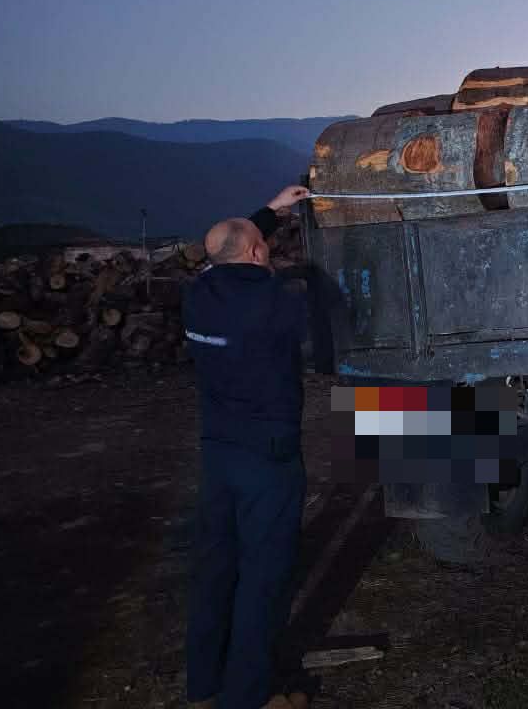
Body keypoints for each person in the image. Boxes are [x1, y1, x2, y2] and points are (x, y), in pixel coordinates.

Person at [184, 184, 312, 709]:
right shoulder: (279, 301)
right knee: (264, 575)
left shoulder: (197, 295)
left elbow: (225, 252)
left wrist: (270, 212)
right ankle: (248, 697)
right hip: (268, 455)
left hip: (219, 452)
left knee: (216, 568)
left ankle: (204, 685)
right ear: (259, 252)